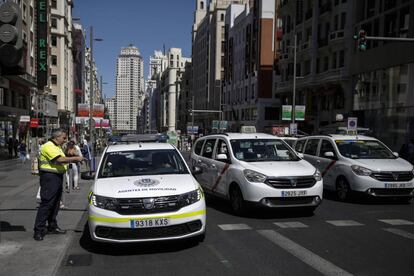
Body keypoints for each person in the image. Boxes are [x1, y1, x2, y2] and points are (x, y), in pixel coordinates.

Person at [33, 128, 84, 241]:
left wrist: (70, 155)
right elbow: (59, 160)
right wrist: (75, 158)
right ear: (57, 137)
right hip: (49, 178)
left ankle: (52, 226)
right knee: (46, 204)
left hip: (56, 177)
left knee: (55, 204)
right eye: (64, 138)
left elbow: (62, 158)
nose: (65, 140)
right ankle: (38, 230)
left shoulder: (57, 146)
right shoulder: (48, 146)